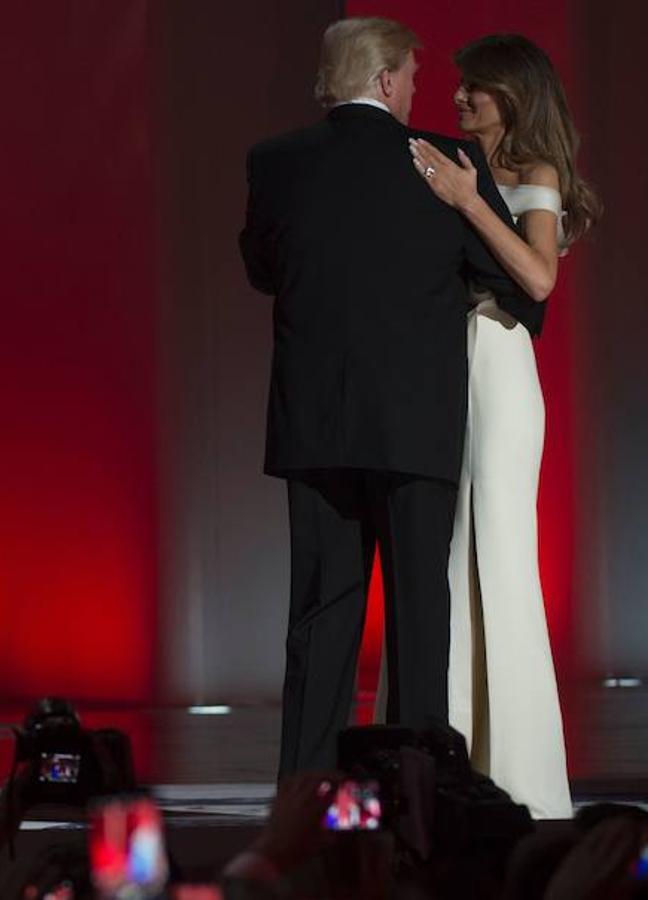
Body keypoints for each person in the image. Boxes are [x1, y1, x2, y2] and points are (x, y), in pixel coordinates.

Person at [238, 17, 531, 778]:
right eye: (409, 77)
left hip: (316, 426)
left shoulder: (274, 162)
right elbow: (510, 283)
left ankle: (302, 798)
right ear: (382, 80)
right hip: (413, 424)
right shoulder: (444, 162)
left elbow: (262, 268)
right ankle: (416, 792)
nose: (414, 92)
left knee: (321, 616)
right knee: (417, 617)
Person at [405, 34, 600, 820]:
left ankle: (516, 775)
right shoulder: (450, 167)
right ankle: (444, 759)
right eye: (458, 88)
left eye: (474, 90)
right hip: (439, 369)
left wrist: (466, 203)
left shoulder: (530, 176)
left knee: (498, 559)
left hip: (498, 368)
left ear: (511, 97)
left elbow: (538, 277)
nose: (458, 99)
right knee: (444, 559)